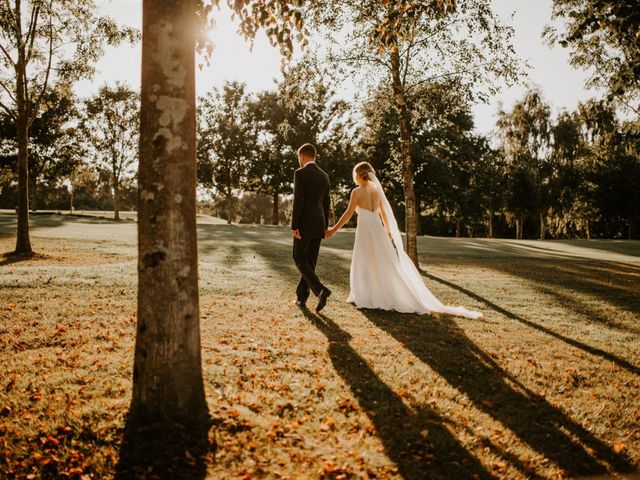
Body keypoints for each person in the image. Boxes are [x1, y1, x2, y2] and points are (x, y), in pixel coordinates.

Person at [325, 161, 482, 319]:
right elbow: (384, 215)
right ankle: (382, 293)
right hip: (378, 230)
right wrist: (387, 233)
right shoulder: (377, 191)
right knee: (383, 263)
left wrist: (333, 229)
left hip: (365, 230)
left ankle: (367, 295)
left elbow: (348, 213)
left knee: (365, 261)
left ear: (358, 175)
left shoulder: (357, 192)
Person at [291, 143, 332, 312]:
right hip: (319, 223)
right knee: (310, 262)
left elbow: (298, 200)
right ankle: (301, 298)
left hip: (304, 223)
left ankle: (320, 290)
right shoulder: (325, 176)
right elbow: (326, 203)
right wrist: (325, 225)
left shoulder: (300, 173)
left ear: (302, 156)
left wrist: (294, 225)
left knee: (299, 257)